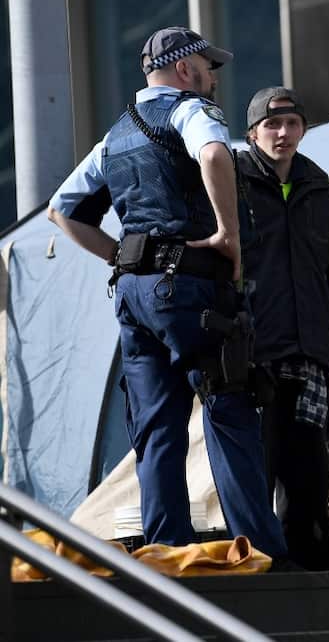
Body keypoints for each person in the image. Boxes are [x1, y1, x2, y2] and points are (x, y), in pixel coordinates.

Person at [47, 27, 287, 559]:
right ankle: (262, 554)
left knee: (157, 430)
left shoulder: (114, 135)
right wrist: (228, 233)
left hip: (133, 294)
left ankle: (166, 550)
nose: (213, 77)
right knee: (229, 413)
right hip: (193, 290)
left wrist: (118, 256)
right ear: (184, 70)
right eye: (207, 67)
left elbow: (60, 210)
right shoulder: (189, 111)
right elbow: (215, 156)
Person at [237, 87, 329, 571]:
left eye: (292, 124)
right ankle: (260, 580)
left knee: (309, 482)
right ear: (252, 132)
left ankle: (319, 583)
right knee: (257, 477)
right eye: (272, 125)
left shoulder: (318, 184)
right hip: (254, 360)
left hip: (309, 358)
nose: (283, 134)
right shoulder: (233, 179)